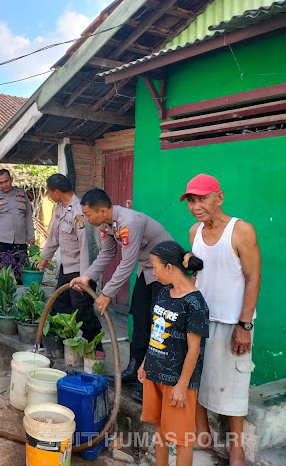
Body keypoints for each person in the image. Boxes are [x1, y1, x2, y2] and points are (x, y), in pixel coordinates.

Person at [182, 174, 260, 466]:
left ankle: (236, 448)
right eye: (191, 200)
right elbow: (198, 275)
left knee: (235, 384)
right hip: (199, 319)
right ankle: (203, 433)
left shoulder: (241, 231)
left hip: (232, 322)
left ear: (220, 197)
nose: (195, 206)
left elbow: (254, 278)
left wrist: (245, 325)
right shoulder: (194, 232)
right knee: (196, 376)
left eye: (202, 198)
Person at [70, 188, 173, 388]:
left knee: (159, 325)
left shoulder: (129, 222)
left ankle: (154, 380)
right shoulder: (107, 225)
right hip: (147, 270)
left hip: (166, 273)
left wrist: (107, 293)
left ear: (102, 211)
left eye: (88, 214)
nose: (86, 218)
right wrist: (87, 276)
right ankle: (134, 370)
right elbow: (107, 253)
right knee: (141, 319)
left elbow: (127, 262)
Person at [137, 241, 209, 466]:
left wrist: (182, 385)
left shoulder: (195, 303)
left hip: (178, 380)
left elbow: (194, 349)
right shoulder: (163, 293)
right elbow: (156, 332)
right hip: (154, 372)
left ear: (170, 268)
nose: (153, 272)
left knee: (181, 439)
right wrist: (144, 363)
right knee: (159, 427)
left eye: (155, 267)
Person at [37, 174, 102, 347]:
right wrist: (45, 258)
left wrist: (84, 278)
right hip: (66, 269)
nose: (49, 196)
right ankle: (59, 344)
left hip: (80, 271)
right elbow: (54, 236)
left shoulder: (79, 212)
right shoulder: (59, 208)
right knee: (59, 306)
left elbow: (86, 247)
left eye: (50, 192)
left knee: (82, 312)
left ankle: (96, 348)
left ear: (57, 191)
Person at [0, 169, 35, 269]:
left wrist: (31, 238)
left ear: (11, 179)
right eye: (0, 183)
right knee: (1, 273)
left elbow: (28, 217)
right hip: (1, 241)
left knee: (21, 272)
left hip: (20, 241)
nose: (4, 185)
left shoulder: (22, 195)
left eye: (6, 181)